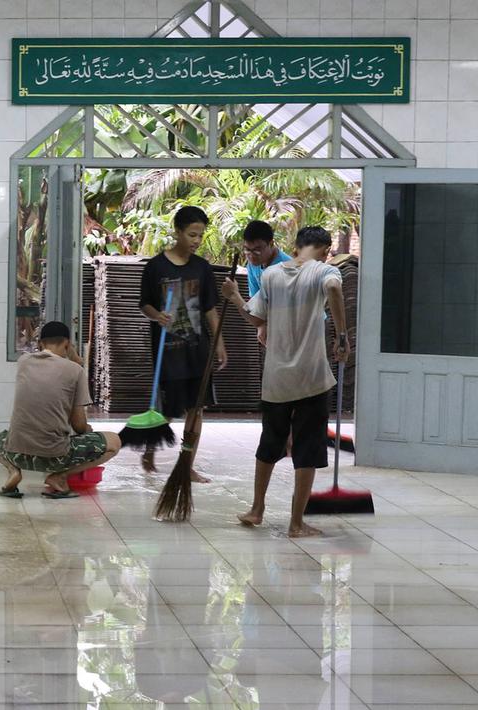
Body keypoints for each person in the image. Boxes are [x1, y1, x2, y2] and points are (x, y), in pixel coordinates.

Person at [220, 226, 349, 538]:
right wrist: (342, 336)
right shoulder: (324, 271)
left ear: (295, 246)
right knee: (307, 450)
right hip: (311, 378)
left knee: (269, 444)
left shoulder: (271, 275)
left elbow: (256, 319)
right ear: (325, 250)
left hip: (276, 379)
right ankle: (296, 523)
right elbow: (334, 289)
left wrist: (235, 297)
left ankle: (256, 509)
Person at [137, 206, 227, 479]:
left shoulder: (202, 268)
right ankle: (150, 447)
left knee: (196, 409)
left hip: (197, 350)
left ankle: (186, 465)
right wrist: (157, 316)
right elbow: (145, 304)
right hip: (168, 351)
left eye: (200, 235)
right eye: (192, 235)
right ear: (177, 231)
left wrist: (219, 343)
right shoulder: (156, 267)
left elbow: (209, 309)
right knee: (169, 410)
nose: (196, 241)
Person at [0, 321, 121, 499]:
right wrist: (77, 361)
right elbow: (78, 426)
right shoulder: (75, 370)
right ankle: (59, 477)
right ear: (67, 344)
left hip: (16, 454)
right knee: (114, 441)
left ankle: (13, 471)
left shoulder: (23, 362)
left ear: (40, 344)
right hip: (54, 458)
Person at [242, 220, 291, 347]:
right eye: (247, 250)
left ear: (271, 243)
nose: (251, 255)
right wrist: (261, 325)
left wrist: (234, 296)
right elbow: (255, 300)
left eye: (257, 250)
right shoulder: (253, 264)